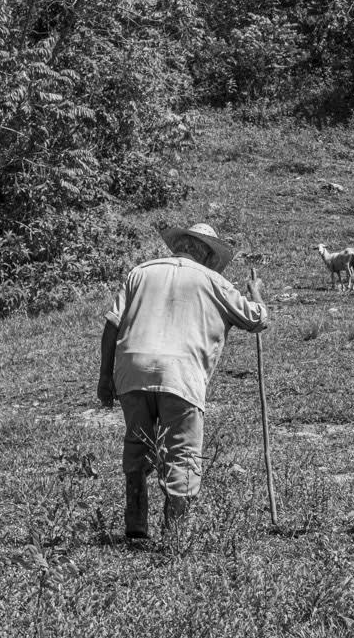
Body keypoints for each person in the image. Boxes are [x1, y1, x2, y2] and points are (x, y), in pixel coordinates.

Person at [96, 223, 268, 540]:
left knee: (137, 446)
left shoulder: (141, 272)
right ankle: (177, 535)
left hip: (133, 370)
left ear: (183, 244)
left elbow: (112, 326)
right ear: (206, 253)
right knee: (182, 454)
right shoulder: (215, 281)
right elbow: (257, 319)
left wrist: (105, 377)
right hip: (181, 375)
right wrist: (255, 290)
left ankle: (135, 527)